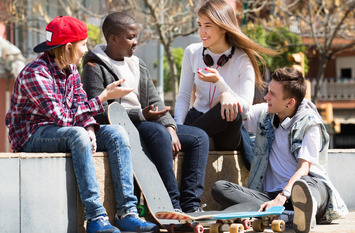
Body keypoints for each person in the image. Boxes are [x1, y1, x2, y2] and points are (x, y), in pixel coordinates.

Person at [5, 16, 158, 233]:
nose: (86, 50)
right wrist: (103, 96)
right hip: (31, 134)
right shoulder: (35, 73)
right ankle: (95, 217)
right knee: (76, 134)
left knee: (117, 133)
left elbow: (79, 105)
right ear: (68, 48)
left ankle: (127, 213)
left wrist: (89, 127)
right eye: (83, 44)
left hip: (62, 129)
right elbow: (63, 118)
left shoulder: (71, 71)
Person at [81, 12, 210, 213]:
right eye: (130, 37)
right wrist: (141, 115)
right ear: (113, 38)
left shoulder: (137, 64)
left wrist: (170, 127)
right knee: (157, 134)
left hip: (146, 122)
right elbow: (98, 110)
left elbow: (155, 100)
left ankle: (191, 205)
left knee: (198, 137)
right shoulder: (94, 66)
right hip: (122, 127)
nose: (136, 42)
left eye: (136, 36)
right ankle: (172, 206)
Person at [211, 67, 348, 233]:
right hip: (270, 197)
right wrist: (223, 92)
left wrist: (284, 196)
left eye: (272, 94)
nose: (266, 97)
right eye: (268, 91)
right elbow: (235, 109)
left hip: (307, 189)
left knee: (307, 186)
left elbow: (304, 168)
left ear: (289, 103)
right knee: (220, 188)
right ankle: (286, 216)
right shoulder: (265, 113)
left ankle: (286, 212)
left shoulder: (310, 123)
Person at [174, 0, 278, 165]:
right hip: (198, 119)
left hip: (226, 128)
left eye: (207, 26)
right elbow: (184, 96)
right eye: (199, 25)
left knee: (231, 109)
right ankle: (188, 137)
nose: (202, 31)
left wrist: (221, 86)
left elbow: (244, 109)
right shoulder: (192, 52)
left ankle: (193, 138)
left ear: (223, 27)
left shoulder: (243, 59)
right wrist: (177, 129)